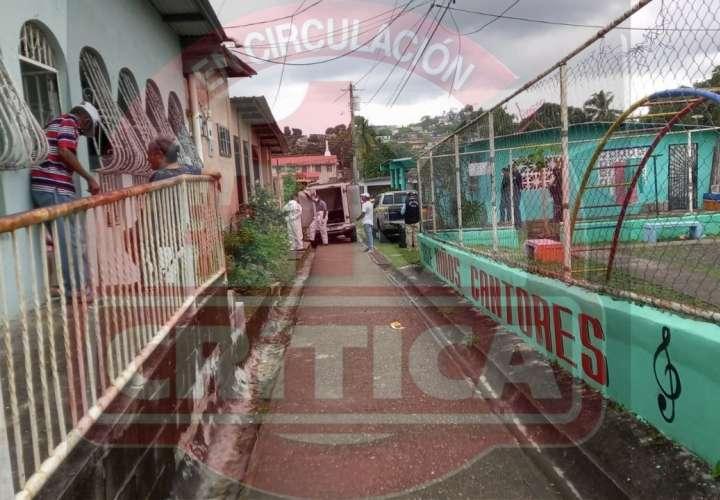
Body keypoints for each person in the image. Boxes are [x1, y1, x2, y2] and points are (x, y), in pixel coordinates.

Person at [30, 102, 102, 299]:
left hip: (50, 187)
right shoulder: (69, 122)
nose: (82, 133)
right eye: (86, 128)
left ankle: (79, 286)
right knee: (69, 242)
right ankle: (77, 289)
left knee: (70, 239)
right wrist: (89, 178)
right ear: (85, 120)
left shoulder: (56, 122)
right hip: (54, 186)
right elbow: (64, 150)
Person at [147, 137, 220, 183]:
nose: (148, 159)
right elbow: (216, 173)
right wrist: (217, 180)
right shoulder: (189, 170)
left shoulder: (158, 177)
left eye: (149, 154)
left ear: (159, 155)